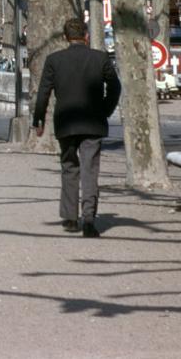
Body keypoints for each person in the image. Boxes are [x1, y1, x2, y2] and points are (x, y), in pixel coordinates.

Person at [33, 16, 122, 237]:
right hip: (93, 121)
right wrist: (105, 109)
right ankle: (89, 218)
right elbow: (115, 87)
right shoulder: (100, 59)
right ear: (86, 36)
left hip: (66, 120)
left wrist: (39, 119)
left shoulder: (54, 60)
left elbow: (43, 92)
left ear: (65, 37)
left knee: (69, 167)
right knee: (90, 170)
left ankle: (70, 218)